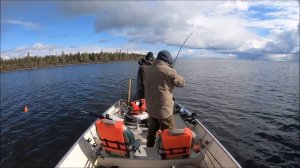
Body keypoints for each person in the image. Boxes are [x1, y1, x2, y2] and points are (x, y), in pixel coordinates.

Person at [143, 50, 185, 147]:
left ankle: (149, 147)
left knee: (152, 130)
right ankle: (169, 151)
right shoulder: (169, 71)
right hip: (164, 111)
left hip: (151, 108)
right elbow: (182, 83)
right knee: (170, 134)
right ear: (168, 60)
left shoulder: (147, 69)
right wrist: (173, 71)